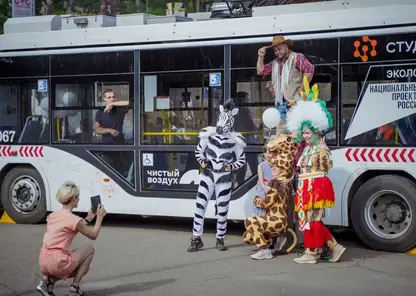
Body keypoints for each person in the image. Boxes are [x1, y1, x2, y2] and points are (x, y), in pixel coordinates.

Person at [286, 76, 346, 264]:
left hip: (315, 186)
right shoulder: (309, 147)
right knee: (308, 220)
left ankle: (317, 251)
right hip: (306, 187)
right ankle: (321, 249)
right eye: (303, 132)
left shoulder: (321, 148)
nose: (304, 135)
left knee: (313, 220)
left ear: (318, 131)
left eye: (307, 132)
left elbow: (326, 167)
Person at [187, 99, 247, 252]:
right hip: (208, 175)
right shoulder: (208, 136)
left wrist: (231, 166)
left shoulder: (235, 141)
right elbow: (198, 152)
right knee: (200, 206)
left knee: (222, 209)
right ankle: (196, 238)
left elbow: (241, 160)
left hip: (224, 177)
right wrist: (203, 161)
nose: (221, 124)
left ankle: (220, 238)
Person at [36, 181, 107, 296]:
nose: (79, 198)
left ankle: (48, 281)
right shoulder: (74, 220)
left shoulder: (52, 216)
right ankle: (74, 287)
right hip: (58, 262)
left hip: (43, 261)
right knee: (89, 249)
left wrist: (89, 217)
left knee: (78, 265)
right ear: (73, 199)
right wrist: (99, 218)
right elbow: (93, 235)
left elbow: (72, 224)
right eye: (78, 196)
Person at [257, 35, 315, 135]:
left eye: (279, 49)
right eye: (275, 50)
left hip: (295, 102)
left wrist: (301, 89)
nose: (277, 52)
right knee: (281, 133)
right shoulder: (275, 63)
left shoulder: (297, 57)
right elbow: (260, 71)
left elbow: (309, 70)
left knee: (296, 132)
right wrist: (261, 56)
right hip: (280, 103)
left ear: (286, 46)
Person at [253, 142, 272, 217]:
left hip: (273, 187)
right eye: (266, 152)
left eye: (269, 152)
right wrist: (265, 188)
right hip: (264, 189)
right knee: (262, 211)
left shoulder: (276, 164)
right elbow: (261, 181)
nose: (267, 155)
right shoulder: (261, 165)